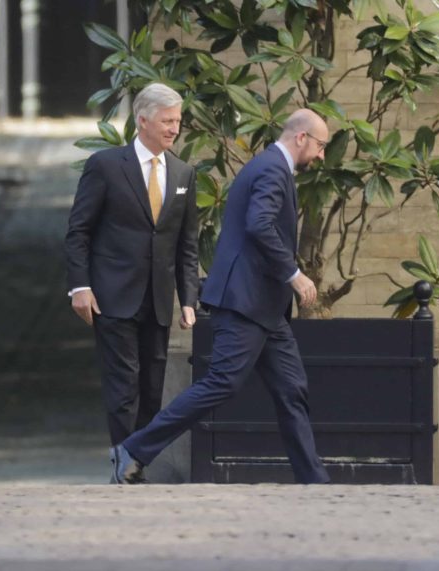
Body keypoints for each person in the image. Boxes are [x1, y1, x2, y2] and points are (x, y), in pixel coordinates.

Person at [111, 109, 331, 485]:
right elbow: (260, 224)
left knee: (292, 388)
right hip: (245, 302)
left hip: (265, 307)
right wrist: (293, 274)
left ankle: (314, 481)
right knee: (222, 382)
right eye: (321, 146)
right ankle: (133, 450)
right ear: (301, 138)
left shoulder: (271, 167)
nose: (322, 155)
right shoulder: (271, 169)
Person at [64, 83, 198, 480]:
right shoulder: (106, 166)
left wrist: (188, 299)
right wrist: (80, 286)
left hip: (158, 299)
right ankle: (124, 466)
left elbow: (186, 244)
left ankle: (136, 460)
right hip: (112, 296)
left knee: (152, 387)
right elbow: (78, 231)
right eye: (167, 120)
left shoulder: (184, 173)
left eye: (177, 120)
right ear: (142, 121)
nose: (175, 128)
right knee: (123, 386)